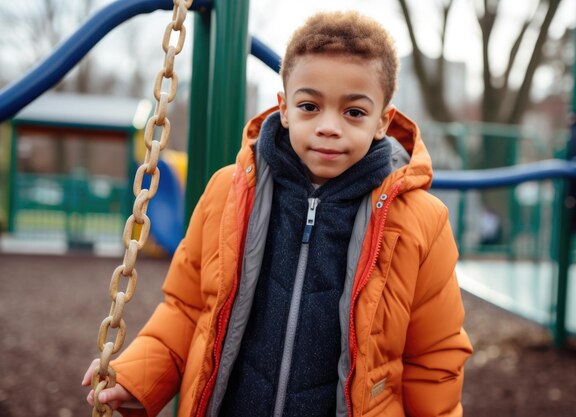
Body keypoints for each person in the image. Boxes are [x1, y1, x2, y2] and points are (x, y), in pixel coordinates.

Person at [82, 10, 473, 417]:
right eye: (309, 106)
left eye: (354, 112)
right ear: (284, 109)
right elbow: (188, 307)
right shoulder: (227, 192)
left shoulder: (419, 221)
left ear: (383, 121)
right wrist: (139, 377)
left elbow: (435, 357)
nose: (328, 126)